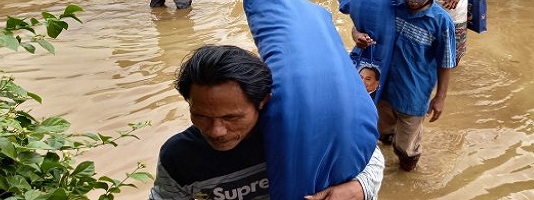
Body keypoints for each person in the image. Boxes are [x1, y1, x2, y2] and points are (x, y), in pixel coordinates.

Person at [148, 45, 384, 200]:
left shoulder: (299, 130)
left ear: (262, 102)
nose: (216, 131)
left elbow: (371, 156)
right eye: (201, 115)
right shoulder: (178, 157)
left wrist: (359, 188)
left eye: (232, 117)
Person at [352, 0, 456, 171]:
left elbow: (446, 62)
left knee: (406, 149)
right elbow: (360, 23)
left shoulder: (441, 21)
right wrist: (357, 36)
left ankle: (407, 173)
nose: (413, 1)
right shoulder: (392, 7)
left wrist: (440, 97)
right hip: (383, 87)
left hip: (413, 94)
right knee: (382, 132)